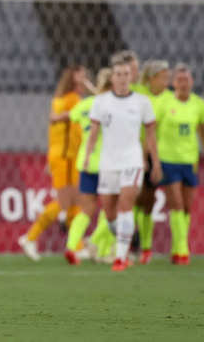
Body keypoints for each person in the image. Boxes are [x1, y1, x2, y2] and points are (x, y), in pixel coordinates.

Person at [83, 58, 161, 272]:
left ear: (131, 77)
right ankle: (126, 238)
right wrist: (88, 156)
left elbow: (151, 135)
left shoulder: (142, 102)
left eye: (126, 74)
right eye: (118, 74)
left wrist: (155, 162)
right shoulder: (101, 102)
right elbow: (94, 133)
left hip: (132, 161)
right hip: (108, 162)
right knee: (108, 211)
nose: (123, 78)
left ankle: (120, 257)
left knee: (126, 206)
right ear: (112, 77)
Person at [19, 65, 91, 261]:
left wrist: (51, 157)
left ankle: (76, 245)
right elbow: (76, 132)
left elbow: (56, 131)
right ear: (74, 80)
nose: (86, 81)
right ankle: (30, 237)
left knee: (73, 201)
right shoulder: (73, 100)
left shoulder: (59, 100)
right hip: (68, 157)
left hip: (61, 156)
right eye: (83, 77)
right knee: (65, 201)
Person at [156, 63, 204, 265]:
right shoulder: (164, 104)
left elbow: (203, 132)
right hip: (169, 159)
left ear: (192, 82)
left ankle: (176, 247)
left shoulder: (198, 104)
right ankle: (183, 249)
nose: (183, 83)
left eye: (186, 80)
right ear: (174, 83)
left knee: (188, 207)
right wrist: (154, 159)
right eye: (179, 80)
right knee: (177, 204)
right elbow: (152, 131)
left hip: (190, 160)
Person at [64, 68, 117, 265]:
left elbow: (70, 117)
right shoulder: (115, 106)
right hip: (108, 162)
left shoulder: (85, 105)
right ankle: (100, 247)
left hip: (86, 162)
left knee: (86, 209)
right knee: (111, 208)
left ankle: (71, 246)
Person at [134, 60, 172, 264]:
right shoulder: (137, 92)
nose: (167, 81)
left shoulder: (168, 99)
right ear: (151, 78)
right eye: (163, 77)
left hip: (152, 154)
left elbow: (153, 131)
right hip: (129, 152)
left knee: (148, 201)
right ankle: (113, 244)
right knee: (127, 199)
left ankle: (145, 248)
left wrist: (151, 160)